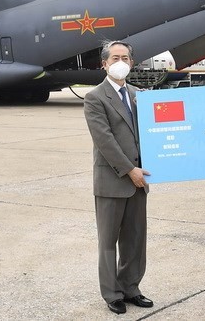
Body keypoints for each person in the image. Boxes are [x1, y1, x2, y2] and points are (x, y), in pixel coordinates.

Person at [84, 40, 153, 315]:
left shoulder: (139, 95)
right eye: (114, 58)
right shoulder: (95, 97)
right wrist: (129, 170)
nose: (120, 62)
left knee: (135, 240)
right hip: (114, 180)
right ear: (104, 63)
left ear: (132, 63)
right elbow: (105, 141)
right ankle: (112, 293)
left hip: (139, 180)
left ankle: (131, 287)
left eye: (125, 57)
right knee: (108, 241)